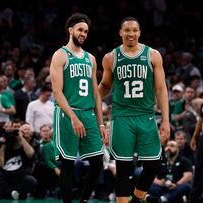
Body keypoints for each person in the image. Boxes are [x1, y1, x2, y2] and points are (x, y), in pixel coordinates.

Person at [98, 17, 170, 203]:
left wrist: (166, 120)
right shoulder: (110, 57)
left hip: (146, 116)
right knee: (123, 168)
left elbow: (161, 89)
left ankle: (137, 199)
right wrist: (92, 97)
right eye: (127, 30)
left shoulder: (153, 55)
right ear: (120, 32)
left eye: (135, 30)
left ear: (139, 32)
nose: (131, 34)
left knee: (153, 165)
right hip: (122, 117)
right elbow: (106, 85)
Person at [49, 13, 107, 203]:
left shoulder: (90, 58)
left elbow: (96, 94)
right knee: (67, 164)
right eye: (80, 30)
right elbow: (57, 92)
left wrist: (101, 124)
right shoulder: (60, 55)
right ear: (71, 30)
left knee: (98, 162)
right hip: (67, 113)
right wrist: (73, 117)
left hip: (88, 113)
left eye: (86, 31)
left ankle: (83, 200)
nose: (83, 33)